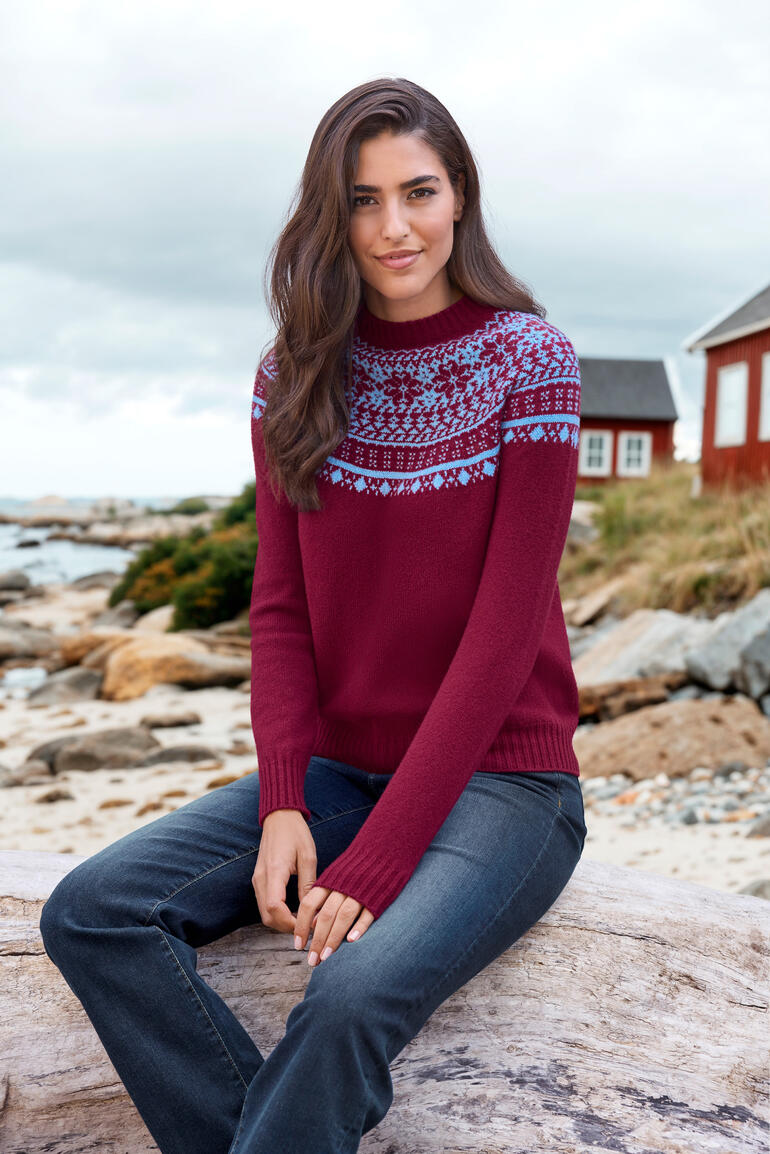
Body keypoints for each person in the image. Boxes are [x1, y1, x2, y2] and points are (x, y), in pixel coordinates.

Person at [39, 76, 588, 1154]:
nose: (393, 227)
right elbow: (280, 608)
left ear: (461, 193)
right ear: (327, 214)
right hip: (338, 771)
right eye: (361, 199)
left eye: (417, 192)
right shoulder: (293, 374)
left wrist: (378, 859)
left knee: (343, 997)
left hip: (507, 783)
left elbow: (502, 634)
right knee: (93, 909)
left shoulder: (531, 362)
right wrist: (285, 798)